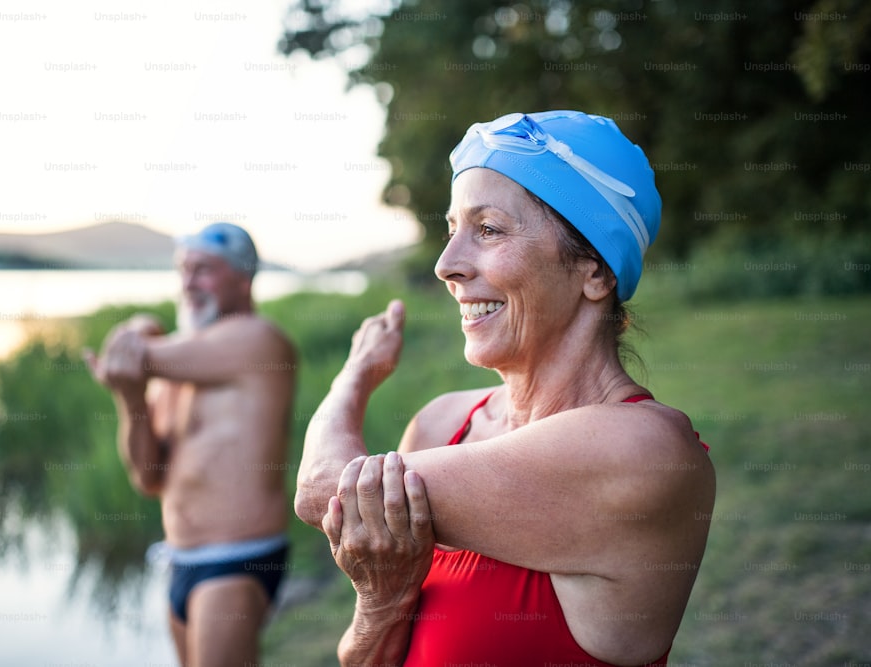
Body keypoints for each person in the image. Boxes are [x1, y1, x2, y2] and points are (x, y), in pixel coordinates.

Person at [295, 111, 716, 666]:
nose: (447, 265)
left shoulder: (647, 452)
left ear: (595, 270)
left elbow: (323, 488)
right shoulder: (441, 424)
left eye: (488, 229)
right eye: (451, 231)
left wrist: (352, 378)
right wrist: (382, 600)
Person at [87, 222, 296, 667]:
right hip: (180, 559)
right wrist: (129, 396)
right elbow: (148, 478)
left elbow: (131, 355)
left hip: (238, 558)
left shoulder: (257, 339)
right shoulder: (176, 367)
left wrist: (135, 330)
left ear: (243, 278)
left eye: (204, 270)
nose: (188, 282)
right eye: (183, 269)